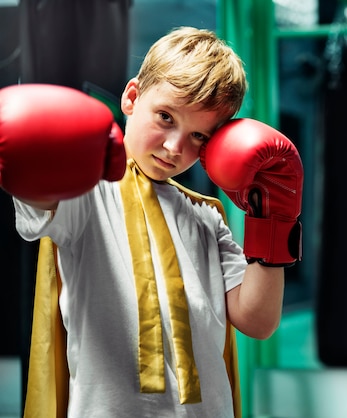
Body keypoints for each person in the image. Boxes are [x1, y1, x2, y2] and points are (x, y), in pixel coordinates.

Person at [0, 27, 303, 417]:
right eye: (165, 117)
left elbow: (257, 321)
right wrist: (31, 150)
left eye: (198, 136)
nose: (175, 147)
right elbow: (37, 196)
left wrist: (272, 220)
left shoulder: (207, 215)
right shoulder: (84, 196)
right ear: (131, 97)